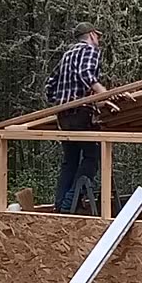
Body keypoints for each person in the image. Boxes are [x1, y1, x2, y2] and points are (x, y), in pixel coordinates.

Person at [46, 22, 128, 213]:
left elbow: (49, 86)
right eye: (97, 36)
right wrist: (104, 95)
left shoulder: (67, 55)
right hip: (81, 113)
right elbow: (86, 74)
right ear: (91, 35)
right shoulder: (90, 51)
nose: (98, 40)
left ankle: (61, 205)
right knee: (93, 156)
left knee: (70, 160)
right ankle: (69, 203)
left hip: (64, 116)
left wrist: (60, 102)